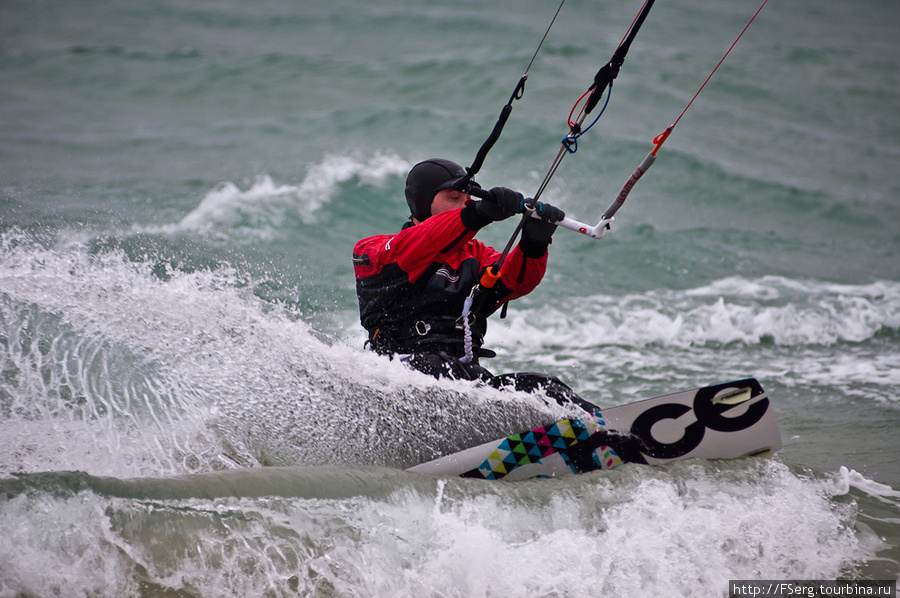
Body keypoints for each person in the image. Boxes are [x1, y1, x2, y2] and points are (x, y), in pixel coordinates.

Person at [352, 158, 570, 388]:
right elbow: (423, 242)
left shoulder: (477, 255)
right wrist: (476, 214)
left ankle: (593, 422)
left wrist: (534, 245)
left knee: (546, 387)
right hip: (398, 378)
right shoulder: (372, 251)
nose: (465, 205)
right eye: (454, 198)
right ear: (421, 202)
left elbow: (513, 281)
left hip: (465, 380)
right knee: (438, 368)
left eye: (468, 199)